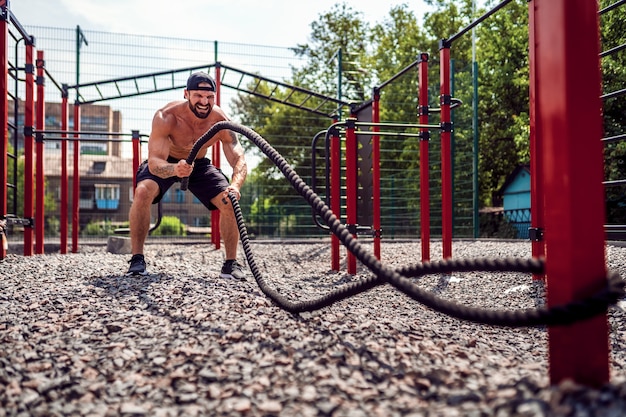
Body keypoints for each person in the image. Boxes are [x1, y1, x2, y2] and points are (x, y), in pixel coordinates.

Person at [126, 72, 247, 280]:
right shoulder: (166, 116)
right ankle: (137, 259)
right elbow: (154, 162)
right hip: (166, 162)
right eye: (198, 96)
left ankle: (230, 264)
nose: (204, 102)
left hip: (198, 165)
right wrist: (174, 170)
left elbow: (239, 158)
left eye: (209, 97)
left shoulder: (220, 121)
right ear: (186, 94)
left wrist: (235, 185)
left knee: (229, 201)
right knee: (142, 191)